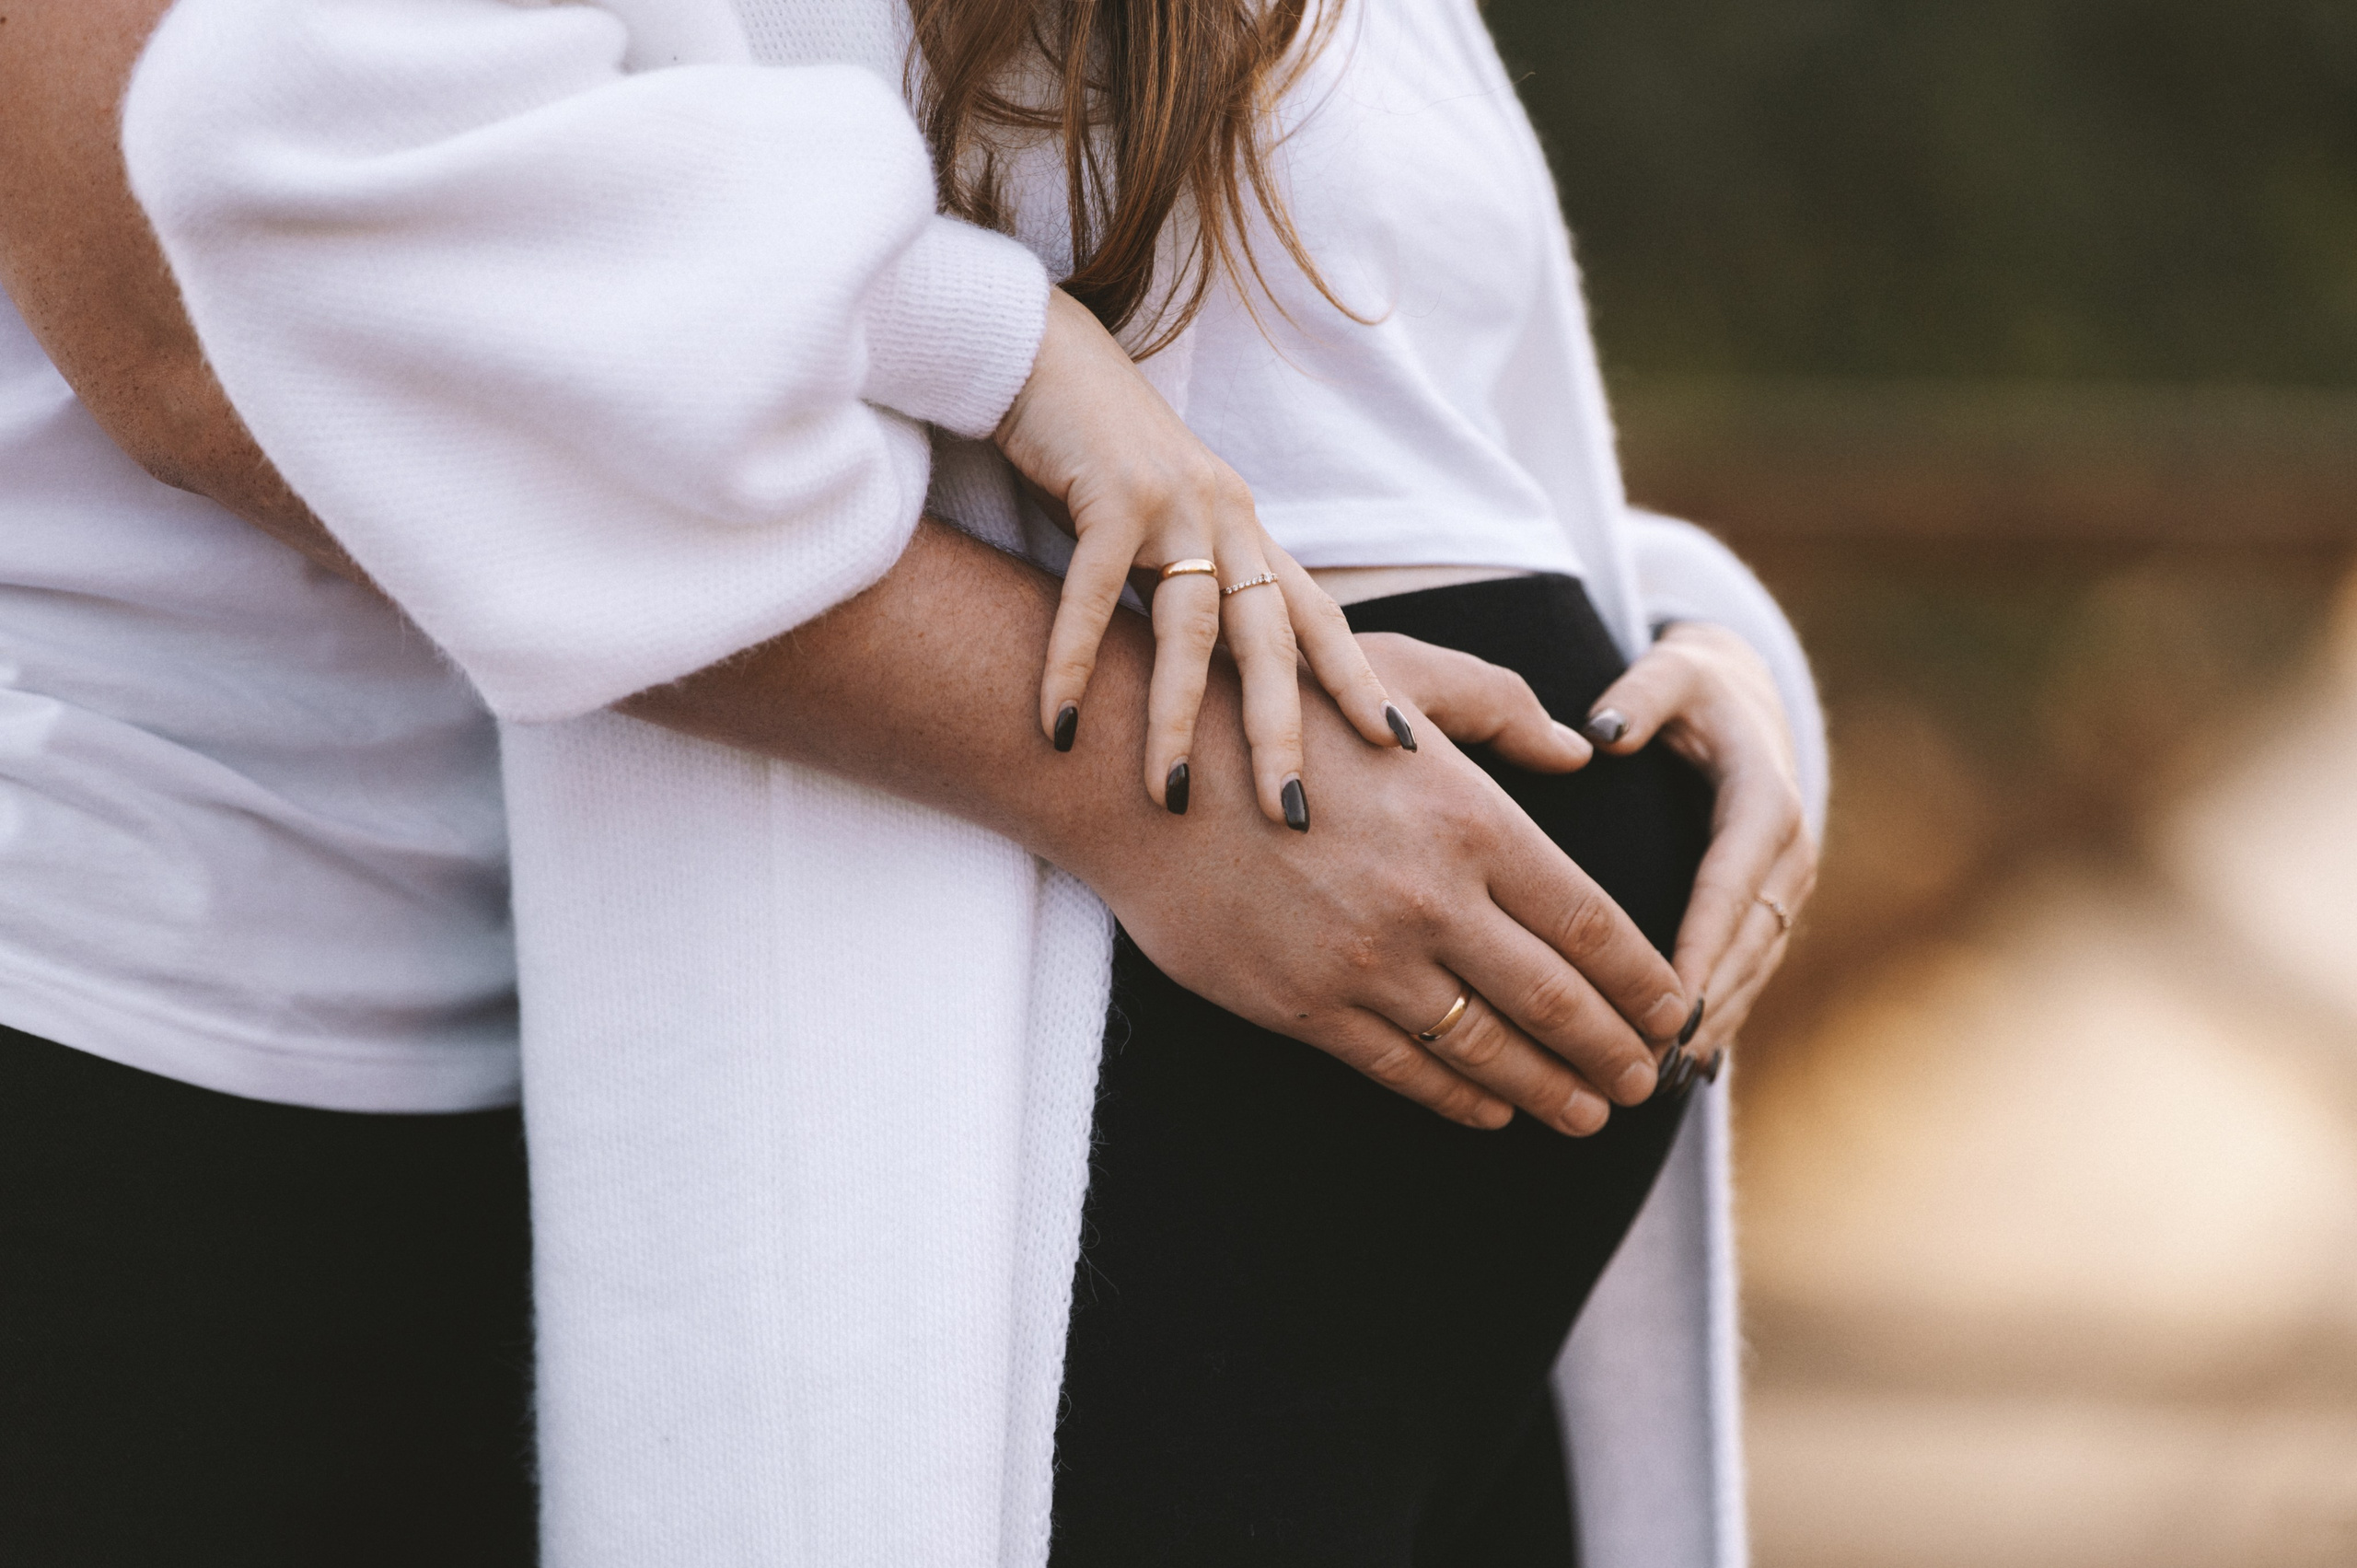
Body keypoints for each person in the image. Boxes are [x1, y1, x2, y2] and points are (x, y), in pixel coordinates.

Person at [0, 5, 1817, 1568]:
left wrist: (1670, 645)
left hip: (1382, 1217)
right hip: (191, 963)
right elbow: (203, 280)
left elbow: (1347, 394)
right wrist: (1002, 378)